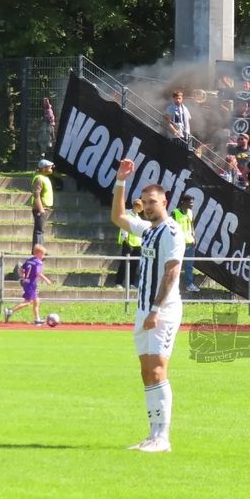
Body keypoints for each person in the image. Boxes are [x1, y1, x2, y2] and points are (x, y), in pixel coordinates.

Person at [111, 158, 186, 453]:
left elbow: (172, 272)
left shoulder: (171, 231)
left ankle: (163, 438)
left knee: (157, 370)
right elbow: (118, 217)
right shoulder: (149, 231)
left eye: (152, 201)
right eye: (144, 202)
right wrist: (120, 181)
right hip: (145, 310)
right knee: (146, 372)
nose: (148, 206)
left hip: (162, 310)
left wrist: (155, 309)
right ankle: (153, 434)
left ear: (164, 201)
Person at [4, 244, 52, 324]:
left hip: (27, 283)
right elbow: (38, 273)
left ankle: (37, 319)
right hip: (32, 284)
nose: (43, 256)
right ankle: (10, 311)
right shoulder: (38, 262)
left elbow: (20, 270)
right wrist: (47, 280)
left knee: (36, 301)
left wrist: (23, 277)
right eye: (43, 254)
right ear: (38, 254)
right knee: (27, 302)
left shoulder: (29, 260)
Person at [114, 198, 144, 289]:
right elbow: (124, 226)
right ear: (135, 206)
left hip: (137, 243)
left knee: (134, 264)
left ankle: (131, 283)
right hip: (128, 241)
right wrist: (126, 238)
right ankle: (118, 282)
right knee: (124, 263)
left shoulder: (138, 217)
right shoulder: (127, 213)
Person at [172, 194, 199, 293]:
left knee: (189, 265)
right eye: (190, 203)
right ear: (183, 202)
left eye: (192, 202)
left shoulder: (190, 212)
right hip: (178, 244)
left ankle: (189, 284)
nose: (192, 205)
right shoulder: (175, 213)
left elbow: (191, 225)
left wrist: (194, 237)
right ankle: (173, 286)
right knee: (176, 265)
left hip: (190, 243)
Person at [30, 158, 54, 250]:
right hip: (41, 208)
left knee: (40, 230)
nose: (51, 168)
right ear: (43, 168)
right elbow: (36, 194)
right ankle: (38, 252)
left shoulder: (44, 178)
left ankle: (40, 251)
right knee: (39, 231)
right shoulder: (39, 178)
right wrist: (41, 209)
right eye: (49, 167)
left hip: (45, 207)